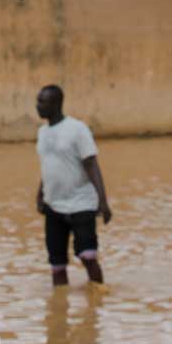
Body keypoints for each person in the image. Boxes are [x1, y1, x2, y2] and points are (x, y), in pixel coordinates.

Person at [34, 84, 111, 287]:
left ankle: (97, 300)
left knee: (87, 256)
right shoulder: (42, 132)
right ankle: (60, 311)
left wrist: (103, 201)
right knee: (57, 265)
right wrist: (40, 194)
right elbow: (48, 165)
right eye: (38, 101)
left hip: (81, 204)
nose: (38, 106)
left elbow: (92, 165)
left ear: (56, 103)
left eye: (42, 101)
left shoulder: (77, 129)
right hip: (54, 206)